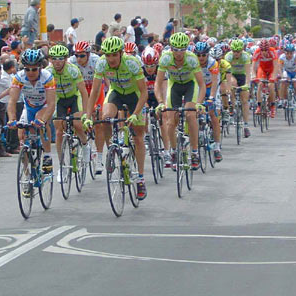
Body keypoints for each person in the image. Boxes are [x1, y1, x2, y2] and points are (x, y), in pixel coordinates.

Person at [83, 37, 149, 200]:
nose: (110, 59)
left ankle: (140, 178)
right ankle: (112, 148)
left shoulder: (132, 63)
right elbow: (95, 92)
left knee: (138, 137)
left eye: (114, 55)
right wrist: (87, 115)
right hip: (116, 93)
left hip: (135, 95)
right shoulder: (101, 64)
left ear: (120, 53)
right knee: (105, 118)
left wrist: (135, 115)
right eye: (107, 55)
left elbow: (144, 92)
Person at [154, 32, 205, 171]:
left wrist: (199, 103)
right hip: (174, 86)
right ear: (171, 49)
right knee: (171, 121)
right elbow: (158, 84)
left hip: (190, 85)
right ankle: (174, 151)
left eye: (182, 49)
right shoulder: (165, 59)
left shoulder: (192, 59)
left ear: (186, 48)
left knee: (190, 115)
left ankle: (194, 152)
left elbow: (201, 84)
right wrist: (160, 102)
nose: (179, 53)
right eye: (176, 49)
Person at [7, 49, 56, 174]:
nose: (30, 72)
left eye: (34, 69)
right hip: (28, 106)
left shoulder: (47, 77)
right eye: (27, 69)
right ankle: (26, 172)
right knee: (21, 135)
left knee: (40, 123)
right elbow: (12, 101)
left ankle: (47, 156)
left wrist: (43, 121)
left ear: (40, 67)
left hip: (43, 106)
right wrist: (12, 119)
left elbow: (51, 104)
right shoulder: (19, 77)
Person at [46, 44, 89, 181]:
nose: (57, 61)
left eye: (60, 58)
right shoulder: (48, 72)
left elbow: (83, 92)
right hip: (59, 99)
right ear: (51, 59)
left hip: (74, 97)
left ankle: (85, 144)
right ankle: (62, 167)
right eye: (54, 58)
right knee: (58, 130)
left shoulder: (73, 70)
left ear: (65, 59)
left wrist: (86, 113)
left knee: (77, 124)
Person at [70, 41, 106, 173]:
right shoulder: (71, 61)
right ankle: (83, 141)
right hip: (81, 90)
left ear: (89, 54)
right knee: (77, 118)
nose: (79, 59)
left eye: (82, 56)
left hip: (96, 89)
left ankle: (100, 158)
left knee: (98, 121)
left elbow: (105, 79)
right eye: (77, 55)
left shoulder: (96, 61)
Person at [225, 39, 252, 138]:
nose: (236, 53)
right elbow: (227, 72)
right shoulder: (228, 56)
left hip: (242, 75)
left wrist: (247, 84)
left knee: (244, 100)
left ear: (242, 50)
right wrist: (228, 86)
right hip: (232, 75)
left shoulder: (245, 56)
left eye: (238, 51)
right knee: (232, 84)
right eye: (234, 51)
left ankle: (246, 126)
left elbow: (248, 73)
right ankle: (232, 105)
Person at [252, 38, 279, 118]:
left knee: (271, 86)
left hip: (271, 69)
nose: (264, 52)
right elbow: (253, 66)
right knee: (260, 84)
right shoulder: (257, 52)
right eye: (262, 50)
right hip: (262, 69)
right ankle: (259, 105)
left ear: (268, 49)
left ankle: (273, 106)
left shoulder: (272, 51)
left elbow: (276, 66)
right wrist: (253, 75)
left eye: (265, 50)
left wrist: (274, 76)